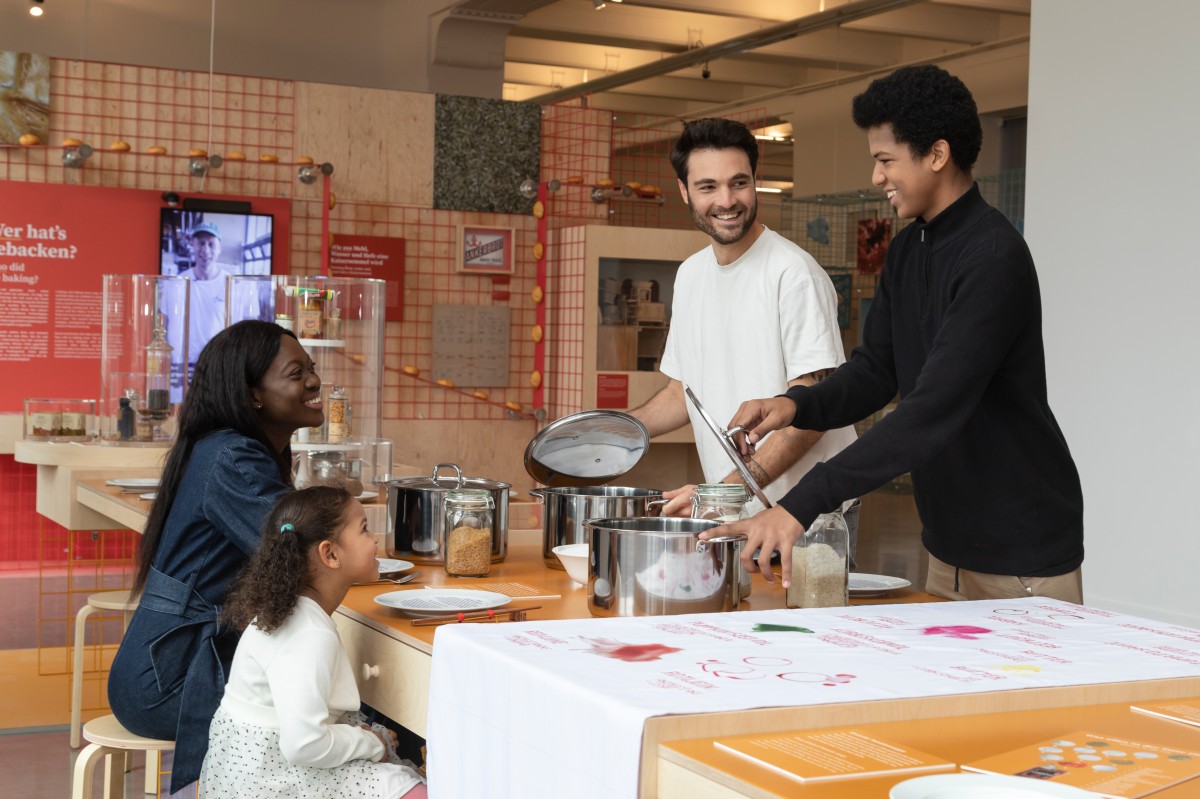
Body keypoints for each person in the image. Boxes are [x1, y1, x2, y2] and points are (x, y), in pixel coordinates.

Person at [709, 66, 1084, 604]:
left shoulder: (993, 258)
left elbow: (931, 408)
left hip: (1022, 549)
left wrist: (799, 503)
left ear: (936, 154)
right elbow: (876, 371)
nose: (877, 176)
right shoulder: (910, 248)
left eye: (886, 160)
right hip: (948, 543)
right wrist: (793, 406)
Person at [108, 320, 324, 792]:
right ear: (253, 396)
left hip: (163, 667)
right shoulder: (234, 458)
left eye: (311, 368)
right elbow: (300, 552)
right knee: (330, 717)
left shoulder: (232, 449)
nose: (313, 381)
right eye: (295, 373)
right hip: (169, 681)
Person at [628, 117, 859, 557]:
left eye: (739, 183)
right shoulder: (691, 274)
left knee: (799, 628)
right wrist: (618, 432)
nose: (727, 201)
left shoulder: (793, 273)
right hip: (735, 511)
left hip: (810, 516)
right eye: (708, 186)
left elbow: (815, 410)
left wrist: (720, 493)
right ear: (684, 191)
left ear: (756, 181)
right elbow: (684, 391)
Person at [199, 486, 427, 798]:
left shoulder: (287, 609)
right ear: (330, 554)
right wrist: (372, 743)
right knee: (409, 788)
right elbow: (303, 745)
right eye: (364, 530)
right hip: (272, 780)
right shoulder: (310, 633)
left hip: (247, 773)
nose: (375, 539)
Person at [178, 221, 232, 370]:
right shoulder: (179, 282)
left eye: (211, 244)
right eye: (201, 243)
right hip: (185, 365)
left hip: (220, 363)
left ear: (219, 248)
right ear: (193, 246)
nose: (205, 250)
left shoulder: (232, 283)